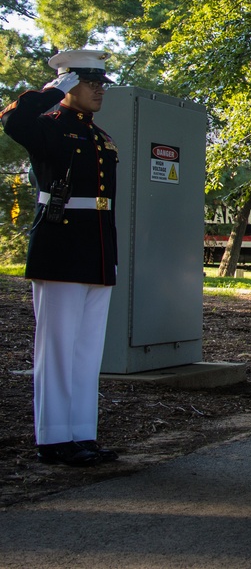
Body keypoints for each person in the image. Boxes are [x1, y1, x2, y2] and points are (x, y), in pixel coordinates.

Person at [0, 49, 119, 467]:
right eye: (90, 83)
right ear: (70, 85)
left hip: (98, 250)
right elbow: (11, 119)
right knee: (57, 347)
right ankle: (52, 439)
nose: (99, 90)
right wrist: (54, 88)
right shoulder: (47, 127)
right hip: (60, 245)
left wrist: (113, 257)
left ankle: (82, 434)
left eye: (102, 83)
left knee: (87, 349)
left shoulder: (100, 136)